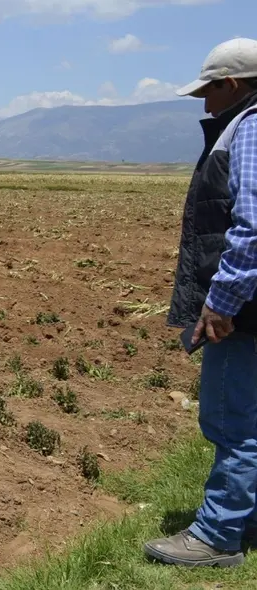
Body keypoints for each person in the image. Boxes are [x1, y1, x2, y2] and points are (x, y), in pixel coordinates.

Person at [146, 37, 257, 569]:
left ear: (231, 84)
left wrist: (221, 302)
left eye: (208, 91)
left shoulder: (251, 127)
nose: (204, 103)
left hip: (247, 312)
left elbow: (252, 227)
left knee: (232, 419)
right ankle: (245, 518)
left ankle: (217, 535)